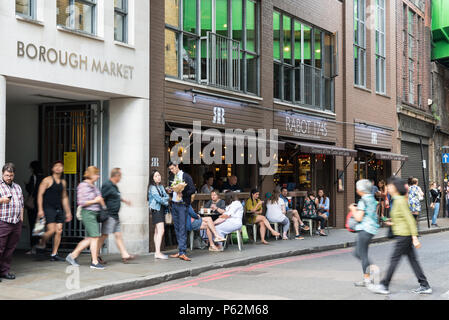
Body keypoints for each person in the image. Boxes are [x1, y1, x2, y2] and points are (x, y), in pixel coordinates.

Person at [369, 176, 432, 295]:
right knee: (413, 260)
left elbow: (410, 220)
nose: (388, 187)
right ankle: (425, 285)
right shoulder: (398, 199)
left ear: (395, 187)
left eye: (389, 185)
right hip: (404, 235)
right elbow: (402, 218)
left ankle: (384, 285)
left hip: (404, 236)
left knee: (394, 260)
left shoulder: (399, 200)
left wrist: (414, 237)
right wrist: (391, 222)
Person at [66, 166, 106, 270]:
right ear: (91, 174)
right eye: (96, 174)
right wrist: (96, 200)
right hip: (88, 213)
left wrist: (102, 203)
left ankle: (72, 256)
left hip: (94, 214)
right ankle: (94, 262)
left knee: (90, 238)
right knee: (95, 237)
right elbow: (82, 202)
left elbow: (100, 198)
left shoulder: (93, 186)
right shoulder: (83, 186)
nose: (98, 176)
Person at [35, 161, 72, 261]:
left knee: (59, 230)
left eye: (60, 166)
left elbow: (64, 197)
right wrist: (40, 209)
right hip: (48, 208)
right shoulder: (47, 180)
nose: (58, 168)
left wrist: (68, 211)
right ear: (52, 168)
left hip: (58, 208)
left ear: (63, 169)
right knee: (51, 230)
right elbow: (39, 195)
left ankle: (54, 254)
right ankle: (41, 243)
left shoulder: (63, 182)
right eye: (56, 166)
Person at [97, 168, 135, 264]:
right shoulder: (107, 185)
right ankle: (95, 254)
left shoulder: (114, 186)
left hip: (115, 215)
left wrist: (125, 201)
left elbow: (116, 196)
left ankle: (124, 254)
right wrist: (105, 208)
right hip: (109, 215)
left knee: (118, 235)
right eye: (120, 176)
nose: (121, 178)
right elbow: (101, 197)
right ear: (116, 176)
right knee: (104, 235)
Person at [348, 180, 379, 287]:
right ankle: (368, 275)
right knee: (359, 253)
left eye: (357, 188)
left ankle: (369, 275)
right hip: (371, 229)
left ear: (361, 190)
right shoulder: (371, 198)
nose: (356, 189)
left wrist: (352, 209)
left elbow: (358, 217)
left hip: (364, 229)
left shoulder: (363, 201)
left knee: (361, 254)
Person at [167, 162, 196, 262]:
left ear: (177, 166)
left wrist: (183, 193)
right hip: (174, 204)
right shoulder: (171, 177)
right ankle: (180, 250)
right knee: (177, 228)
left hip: (183, 204)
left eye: (172, 168)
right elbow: (171, 189)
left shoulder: (186, 176)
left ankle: (183, 252)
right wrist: (170, 191)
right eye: (170, 169)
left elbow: (193, 189)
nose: (171, 171)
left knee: (182, 227)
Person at [0, 163, 24, 281]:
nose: (9, 177)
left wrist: (21, 218)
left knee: (10, 249)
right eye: (6, 175)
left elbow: (22, 203)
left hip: (16, 223)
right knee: (0, 248)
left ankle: (5, 271)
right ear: (2, 174)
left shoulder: (17, 187)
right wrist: (1, 200)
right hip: (3, 222)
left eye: (11, 175)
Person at [148, 170, 170, 260]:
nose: (159, 177)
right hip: (156, 210)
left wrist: (164, 199)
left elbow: (166, 196)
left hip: (160, 210)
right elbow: (159, 199)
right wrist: (165, 200)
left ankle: (157, 252)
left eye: (159, 175)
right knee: (161, 230)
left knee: (157, 231)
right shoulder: (152, 187)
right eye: (156, 176)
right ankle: (157, 252)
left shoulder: (160, 186)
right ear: (152, 178)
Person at [24, 160, 44, 254]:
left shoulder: (34, 177)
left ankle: (33, 248)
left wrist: (26, 185)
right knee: (39, 227)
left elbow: (31, 189)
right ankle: (41, 247)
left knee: (33, 226)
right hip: (42, 205)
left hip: (33, 206)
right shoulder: (44, 177)